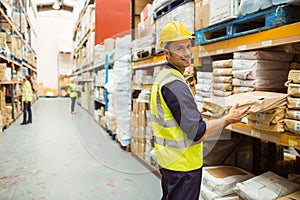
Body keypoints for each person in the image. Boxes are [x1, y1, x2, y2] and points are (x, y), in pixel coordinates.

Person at [150, 21, 251, 200]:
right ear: (167, 53)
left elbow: (170, 113)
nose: (187, 53)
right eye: (179, 48)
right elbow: (197, 133)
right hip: (183, 166)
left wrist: (193, 109)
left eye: (189, 46)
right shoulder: (175, 84)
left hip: (170, 161)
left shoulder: (165, 77)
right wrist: (228, 119)